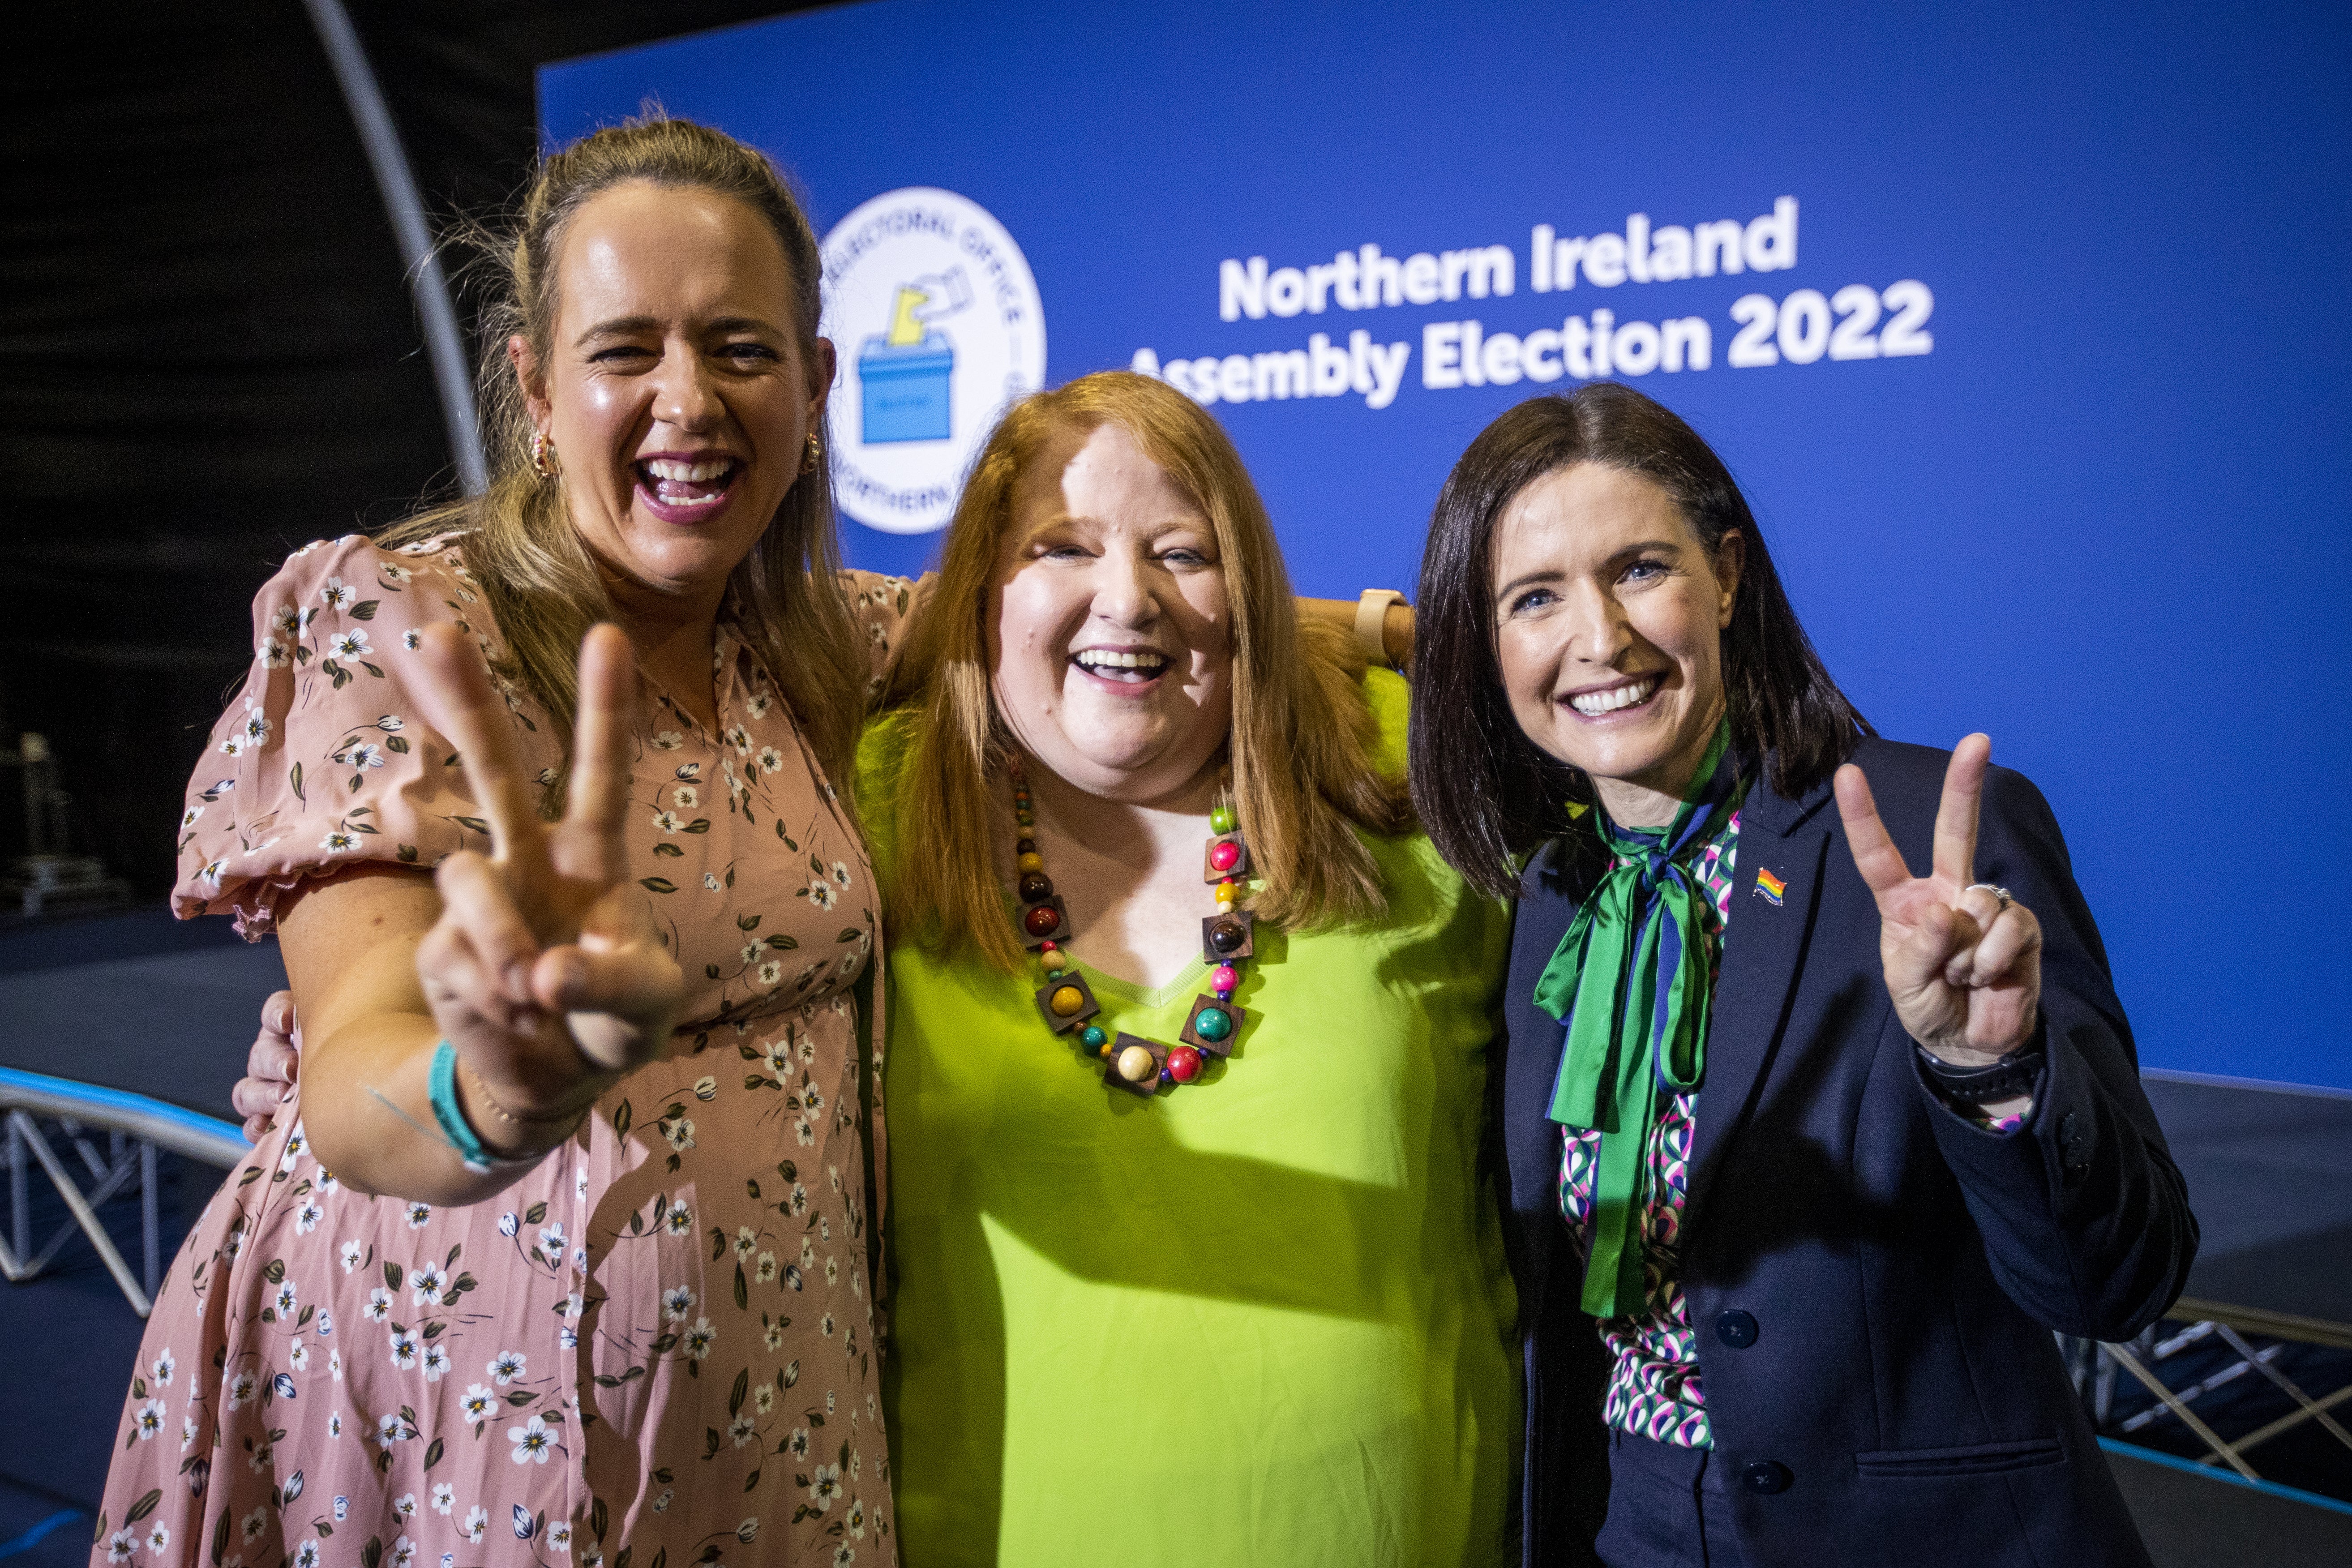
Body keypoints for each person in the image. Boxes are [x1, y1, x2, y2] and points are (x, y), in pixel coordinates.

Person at [100, 119, 909, 1568]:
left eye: (740, 348)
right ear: (536, 387)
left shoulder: (806, 639)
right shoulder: (403, 636)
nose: (689, 402)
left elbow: (1073, 615)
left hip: (775, 1413)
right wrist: (496, 1086)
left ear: (817, 385)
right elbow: (357, 1076)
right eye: (625, 352)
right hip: (456, 1420)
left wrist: (1390, 629)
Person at [1406, 382, 2196, 1567]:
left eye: (1638, 570)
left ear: (1726, 575)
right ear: (1487, 640)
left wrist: (1983, 1069)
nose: (1598, 641)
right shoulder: (1541, 898)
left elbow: (2118, 1285)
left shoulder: (1933, 834)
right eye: (1533, 597)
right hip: (1627, 1532)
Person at [857, 371, 1519, 1564]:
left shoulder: (1418, 786)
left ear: (1250, 595)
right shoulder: (864, 815)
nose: (1131, 599)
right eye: (1061, 546)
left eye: (1184, 552)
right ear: (979, 596)